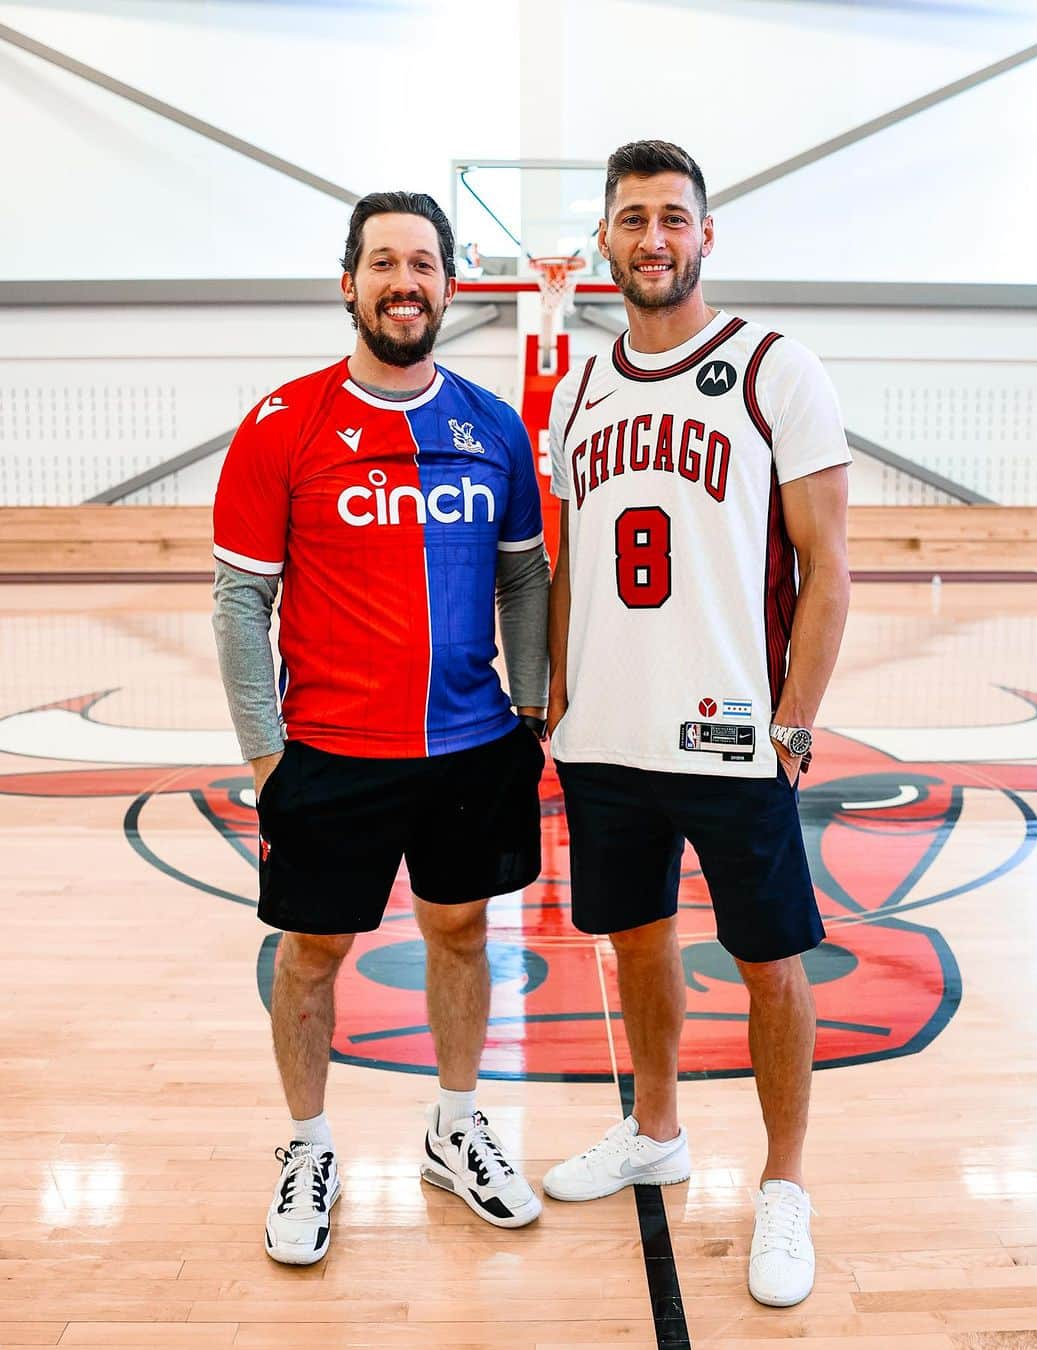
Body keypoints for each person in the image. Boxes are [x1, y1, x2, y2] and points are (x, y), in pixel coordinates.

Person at [211, 190, 549, 1265]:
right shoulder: (283, 424)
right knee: (313, 952)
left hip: (468, 748)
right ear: (347, 282)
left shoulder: (494, 426)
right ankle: (308, 1147)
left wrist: (529, 708)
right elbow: (238, 600)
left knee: (461, 933)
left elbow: (526, 578)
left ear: (451, 284)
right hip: (327, 756)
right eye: (383, 262)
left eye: (424, 262)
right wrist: (266, 755)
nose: (405, 280)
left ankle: (455, 1126)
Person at [543, 141, 851, 1309]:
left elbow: (829, 568)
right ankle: (657, 1131)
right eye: (633, 218)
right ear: (607, 243)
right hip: (609, 738)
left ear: (706, 235)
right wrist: (561, 694)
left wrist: (796, 721)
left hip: (733, 737)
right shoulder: (578, 390)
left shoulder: (777, 368)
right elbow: (570, 559)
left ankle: (784, 1183)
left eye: (674, 216)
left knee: (772, 961)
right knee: (637, 941)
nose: (654, 237)